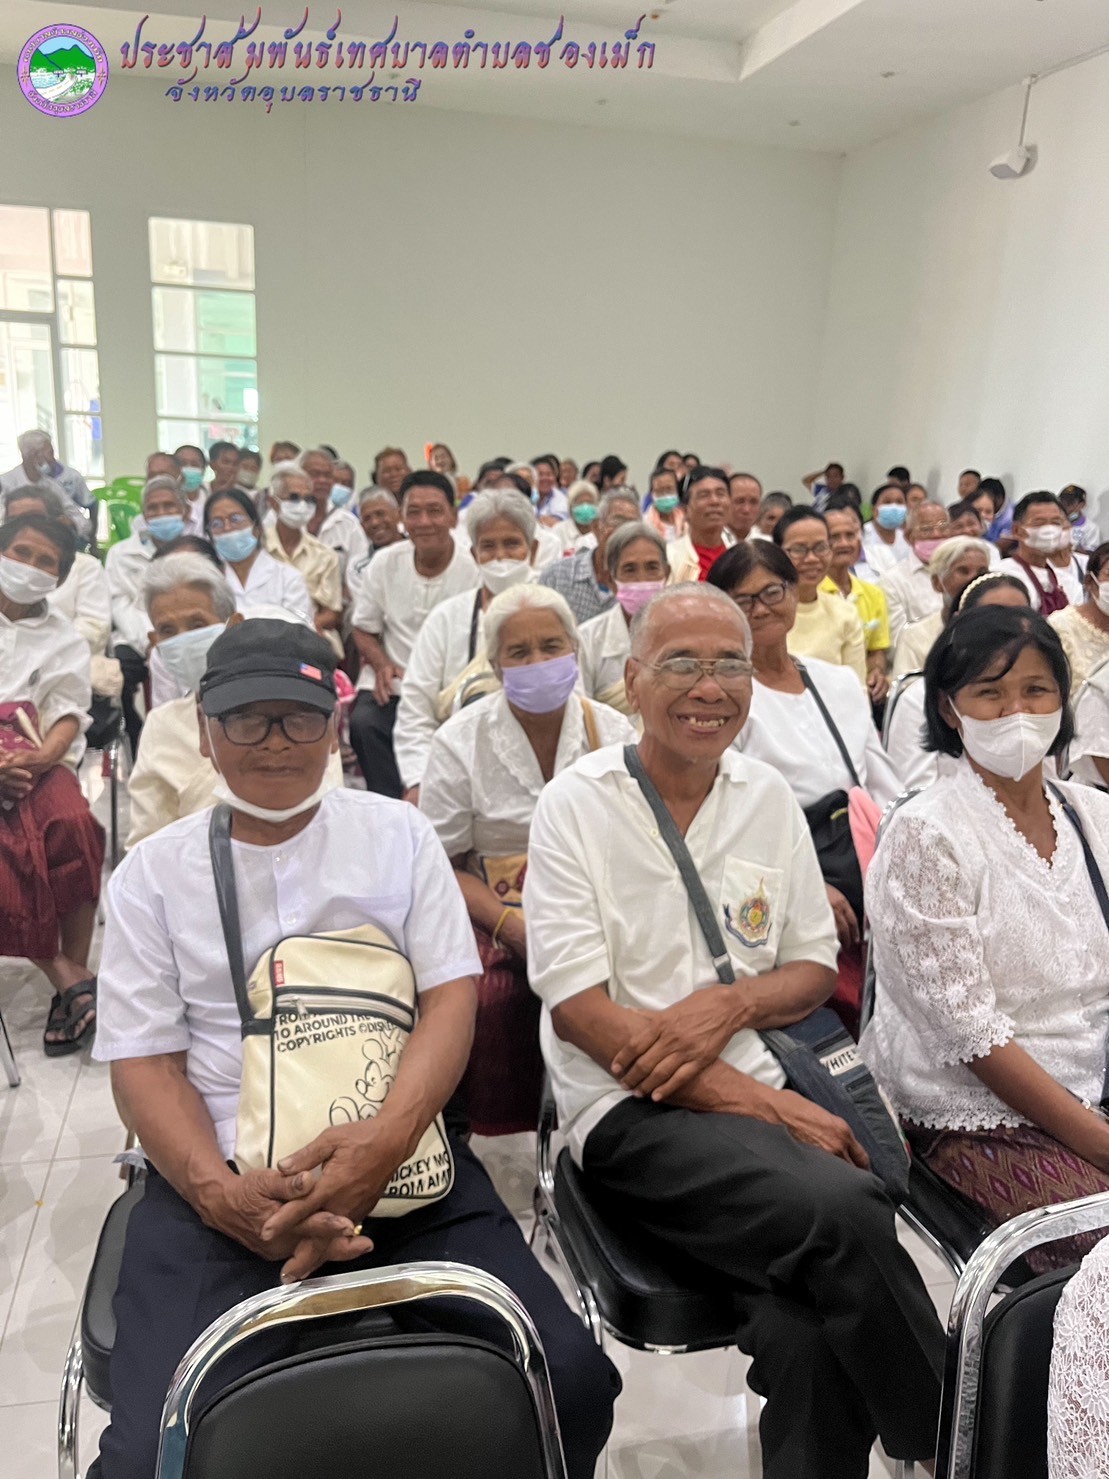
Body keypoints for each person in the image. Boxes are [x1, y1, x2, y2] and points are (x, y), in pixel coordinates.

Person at [89, 618, 619, 1479]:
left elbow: (448, 1001)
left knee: (569, 1382)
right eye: (245, 719)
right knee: (152, 1453)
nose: (274, 741)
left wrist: (384, 1142)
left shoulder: (397, 837)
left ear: (335, 725)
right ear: (204, 731)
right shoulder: (151, 876)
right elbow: (146, 1063)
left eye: (299, 717)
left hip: (403, 1163)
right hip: (221, 1187)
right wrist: (225, 1198)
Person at [524, 582, 943, 1478]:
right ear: (632, 678)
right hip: (631, 1112)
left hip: (759, 1079)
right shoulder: (575, 805)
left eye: (729, 664)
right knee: (843, 1210)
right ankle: (965, 1439)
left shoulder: (764, 795)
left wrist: (729, 1006)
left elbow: (808, 966)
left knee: (806, 1329)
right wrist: (768, 1106)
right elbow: (583, 1014)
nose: (708, 686)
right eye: (682, 662)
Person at [862, 606, 1109, 1272]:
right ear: (950, 708)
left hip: (1097, 1077)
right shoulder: (928, 834)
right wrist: (1097, 1142)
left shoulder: (1094, 816)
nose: (1016, 711)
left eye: (1036, 689)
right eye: (989, 693)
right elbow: (971, 1035)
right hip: (978, 1112)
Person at [420, 585, 634, 1136]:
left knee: (634, 982)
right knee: (492, 1001)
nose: (538, 661)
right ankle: (505, 1141)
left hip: (597, 903)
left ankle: (613, 1124)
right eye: (519, 652)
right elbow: (441, 862)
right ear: (495, 666)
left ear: (575, 651)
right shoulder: (459, 742)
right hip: (495, 907)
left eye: (551, 646)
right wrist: (510, 927)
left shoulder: (613, 732)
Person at [707, 545, 899, 1002]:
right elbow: (727, 816)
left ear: (794, 593)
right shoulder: (723, 697)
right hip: (778, 870)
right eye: (742, 600)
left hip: (860, 857)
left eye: (772, 592)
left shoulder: (838, 682)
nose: (760, 609)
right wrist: (809, 886)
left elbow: (881, 783)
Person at [127, 562, 343, 848]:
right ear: (155, 641)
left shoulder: (298, 709)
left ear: (233, 625)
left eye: (197, 625)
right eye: (168, 630)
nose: (184, 640)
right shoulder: (162, 725)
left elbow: (327, 813)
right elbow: (146, 842)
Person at [0, 513, 103, 1055]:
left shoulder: (61, 636)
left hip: (35, 753)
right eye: (21, 552)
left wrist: (43, 757)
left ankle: (72, 981)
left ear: (60, 578)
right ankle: (66, 975)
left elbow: (68, 710)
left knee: (73, 824)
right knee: (9, 846)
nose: (31, 567)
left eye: (47, 563)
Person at [394, 489, 540, 801]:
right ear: (474, 554)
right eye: (488, 546)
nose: (500, 556)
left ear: (533, 549)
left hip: (539, 776)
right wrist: (421, 781)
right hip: (456, 773)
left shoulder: (556, 618)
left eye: (512, 544)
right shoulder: (446, 619)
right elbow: (415, 713)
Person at [350, 471, 480, 798]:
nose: (424, 522)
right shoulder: (384, 563)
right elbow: (363, 629)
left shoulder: (474, 568)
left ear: (453, 516)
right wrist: (382, 664)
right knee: (365, 723)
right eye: (414, 512)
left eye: (435, 511)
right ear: (401, 518)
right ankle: (389, 805)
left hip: (453, 684)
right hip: (396, 679)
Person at [884, 574, 1033, 794]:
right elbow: (914, 788)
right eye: (992, 616)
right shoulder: (920, 697)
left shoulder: (1040, 692)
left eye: (1019, 616)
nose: (1007, 630)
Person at [106, 476, 197, 754]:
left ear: (185, 511)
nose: (161, 513)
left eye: (169, 506)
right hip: (135, 636)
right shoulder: (121, 554)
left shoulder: (194, 549)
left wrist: (171, 635)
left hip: (186, 633)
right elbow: (119, 603)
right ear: (144, 515)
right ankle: (139, 746)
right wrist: (149, 639)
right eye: (153, 508)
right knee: (119, 676)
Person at [578, 521, 668, 715]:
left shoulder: (684, 634)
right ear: (610, 580)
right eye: (629, 569)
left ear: (666, 574)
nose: (642, 579)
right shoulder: (587, 640)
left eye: (652, 567)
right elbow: (582, 713)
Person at [772, 507, 867, 685]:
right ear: (778, 553)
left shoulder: (845, 613)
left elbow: (857, 688)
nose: (812, 559)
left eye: (820, 548)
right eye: (799, 549)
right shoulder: (763, 613)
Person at [264, 462, 344, 656]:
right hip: (262, 635)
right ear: (273, 503)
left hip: (309, 636)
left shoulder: (324, 555)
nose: (302, 505)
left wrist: (302, 630)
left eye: (308, 499)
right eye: (293, 497)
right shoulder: (257, 549)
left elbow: (331, 612)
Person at [821, 498, 891, 705]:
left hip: (861, 696)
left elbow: (876, 650)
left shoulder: (873, 593)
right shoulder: (809, 594)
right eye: (834, 537)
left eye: (850, 535)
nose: (844, 543)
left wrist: (877, 672)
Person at [202, 487, 310, 618]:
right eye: (216, 523)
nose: (227, 528)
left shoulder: (289, 579)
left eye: (235, 519)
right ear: (210, 536)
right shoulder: (207, 583)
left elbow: (299, 626)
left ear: (256, 528)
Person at [892, 537, 993, 677]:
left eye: (982, 572)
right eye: (963, 571)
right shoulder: (915, 637)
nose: (975, 579)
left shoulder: (1002, 629)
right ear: (937, 583)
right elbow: (908, 688)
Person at [539, 488, 639, 624]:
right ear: (596, 527)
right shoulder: (557, 575)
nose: (625, 532)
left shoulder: (643, 582)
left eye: (633, 525)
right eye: (617, 522)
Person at [0, 428, 94, 545]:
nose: (53, 460)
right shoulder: (5, 483)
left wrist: (71, 523)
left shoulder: (52, 486)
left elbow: (83, 523)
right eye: (50, 453)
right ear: (33, 455)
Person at [879, 500, 952, 643]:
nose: (936, 534)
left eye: (943, 527)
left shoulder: (964, 572)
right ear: (909, 537)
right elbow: (898, 639)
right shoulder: (892, 582)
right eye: (926, 529)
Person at [999, 491, 1085, 613]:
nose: (1049, 529)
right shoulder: (1001, 575)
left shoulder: (1068, 583)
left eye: (1056, 523)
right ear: (1017, 530)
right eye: (1039, 523)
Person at [298, 446, 369, 578]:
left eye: (328, 475)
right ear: (298, 477)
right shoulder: (283, 518)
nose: (322, 480)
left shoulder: (348, 524)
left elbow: (358, 575)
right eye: (315, 474)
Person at [666, 466, 736, 583]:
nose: (714, 501)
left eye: (720, 494)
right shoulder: (670, 557)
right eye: (704, 495)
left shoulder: (740, 556)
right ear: (685, 510)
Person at [861, 483, 910, 577]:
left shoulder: (906, 538)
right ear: (874, 510)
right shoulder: (862, 534)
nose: (894, 507)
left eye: (899, 502)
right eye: (887, 502)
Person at [641, 466, 685, 544]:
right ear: (652, 494)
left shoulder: (685, 521)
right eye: (659, 491)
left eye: (669, 489)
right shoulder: (644, 524)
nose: (665, 495)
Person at [556, 480, 601, 552]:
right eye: (580, 503)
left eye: (589, 502)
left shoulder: (601, 530)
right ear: (571, 507)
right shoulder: (559, 530)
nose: (585, 507)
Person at [1060, 483, 1102, 555]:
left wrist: (1073, 547)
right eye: (1063, 501)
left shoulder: (1091, 528)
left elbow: (1092, 555)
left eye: (1070, 502)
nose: (1065, 505)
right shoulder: (1053, 523)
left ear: (1082, 504)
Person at [727, 471, 762, 542]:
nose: (746, 510)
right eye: (740, 501)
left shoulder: (768, 545)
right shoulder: (709, 540)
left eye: (753, 502)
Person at [533, 454, 569, 525]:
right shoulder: (525, 495)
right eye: (540, 474)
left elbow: (557, 524)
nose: (545, 478)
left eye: (549, 474)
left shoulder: (561, 499)